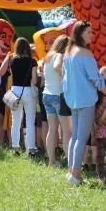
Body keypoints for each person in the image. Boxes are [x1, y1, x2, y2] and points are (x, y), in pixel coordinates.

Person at [63, 21, 102, 184]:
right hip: (86, 99)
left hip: (73, 99)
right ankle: (76, 173)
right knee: (81, 137)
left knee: (76, 136)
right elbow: (95, 79)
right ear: (79, 34)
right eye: (89, 32)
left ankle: (72, 171)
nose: (92, 35)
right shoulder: (85, 53)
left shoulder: (68, 52)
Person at [0, 37, 39, 156]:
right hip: (27, 91)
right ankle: (31, 149)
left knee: (15, 121)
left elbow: (1, 72)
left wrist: (7, 57)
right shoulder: (32, 61)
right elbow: (35, 80)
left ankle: (16, 148)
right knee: (30, 121)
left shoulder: (11, 60)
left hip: (14, 91)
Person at [42, 36, 71, 166]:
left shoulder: (48, 56)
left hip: (47, 95)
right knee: (66, 131)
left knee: (52, 129)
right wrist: (66, 75)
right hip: (58, 95)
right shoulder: (59, 55)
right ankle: (71, 163)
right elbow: (57, 66)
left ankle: (52, 161)